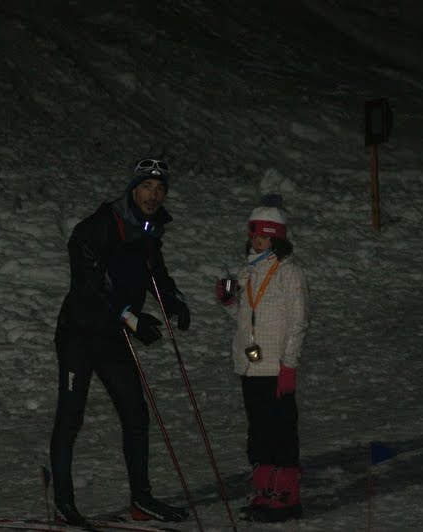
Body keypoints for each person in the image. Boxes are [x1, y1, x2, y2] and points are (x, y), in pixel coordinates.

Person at [49, 158, 191, 525]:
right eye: (146, 187)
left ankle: (141, 499)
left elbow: (155, 273)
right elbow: (89, 287)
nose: (153, 196)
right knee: (71, 416)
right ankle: (63, 503)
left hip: (112, 338)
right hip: (79, 334)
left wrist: (173, 301)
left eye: (159, 189)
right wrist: (130, 317)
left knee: (136, 413)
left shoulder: (148, 230)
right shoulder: (97, 228)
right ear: (132, 189)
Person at [215, 197, 311, 522]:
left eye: (264, 237)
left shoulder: (288, 272)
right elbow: (244, 318)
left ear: (277, 239)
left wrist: (289, 365)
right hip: (250, 367)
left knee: (280, 431)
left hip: (276, 367)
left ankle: (287, 496)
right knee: (258, 432)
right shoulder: (248, 271)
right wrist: (229, 301)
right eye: (254, 235)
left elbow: (299, 322)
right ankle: (265, 490)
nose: (257, 241)